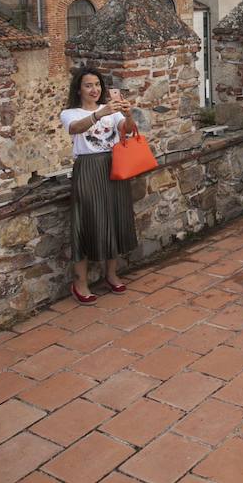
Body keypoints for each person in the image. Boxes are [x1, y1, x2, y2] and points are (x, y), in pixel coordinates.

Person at [59, 66, 138, 306]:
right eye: (88, 85)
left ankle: (111, 274)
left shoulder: (112, 112)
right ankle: (80, 282)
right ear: (79, 89)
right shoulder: (70, 113)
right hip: (88, 168)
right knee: (87, 221)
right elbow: (75, 129)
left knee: (113, 218)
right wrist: (99, 113)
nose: (94, 89)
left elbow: (128, 131)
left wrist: (128, 114)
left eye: (97, 85)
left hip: (113, 166)